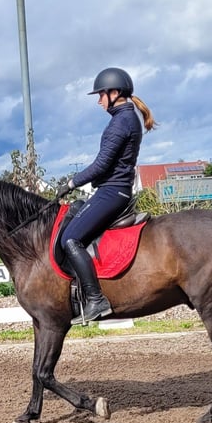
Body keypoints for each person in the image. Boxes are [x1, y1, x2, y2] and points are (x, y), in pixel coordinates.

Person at [56, 67, 157, 325]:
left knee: (70, 238)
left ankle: (95, 299)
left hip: (112, 191)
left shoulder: (120, 122)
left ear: (115, 92)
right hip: (115, 189)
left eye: (101, 95)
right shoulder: (128, 118)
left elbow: (101, 165)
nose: (99, 101)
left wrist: (70, 182)